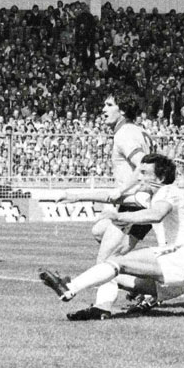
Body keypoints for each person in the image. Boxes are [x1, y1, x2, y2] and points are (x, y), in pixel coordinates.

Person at [39, 154, 184, 315]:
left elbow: (156, 215)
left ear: (161, 177)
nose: (138, 177)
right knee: (108, 272)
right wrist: (76, 196)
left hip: (180, 259)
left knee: (117, 261)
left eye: (144, 173)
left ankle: (69, 288)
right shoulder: (151, 196)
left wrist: (119, 216)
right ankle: (102, 308)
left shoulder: (168, 190)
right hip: (174, 282)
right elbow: (115, 198)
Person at [58, 93, 156, 320]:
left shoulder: (125, 133)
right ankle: (146, 289)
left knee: (106, 262)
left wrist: (122, 191)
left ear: (122, 110)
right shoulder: (136, 130)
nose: (103, 109)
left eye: (109, 104)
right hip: (134, 203)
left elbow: (144, 164)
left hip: (135, 204)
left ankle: (102, 307)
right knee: (99, 231)